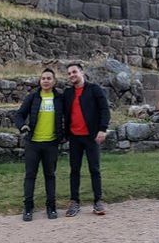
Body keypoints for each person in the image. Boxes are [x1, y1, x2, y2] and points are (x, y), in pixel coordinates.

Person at [15, 68, 65, 221]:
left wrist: (64, 134)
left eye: (49, 78)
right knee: (30, 176)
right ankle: (28, 207)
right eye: (43, 78)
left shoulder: (60, 98)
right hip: (33, 144)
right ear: (40, 81)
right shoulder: (32, 97)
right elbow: (19, 114)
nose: (45, 81)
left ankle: (51, 207)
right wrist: (22, 126)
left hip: (51, 144)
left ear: (54, 81)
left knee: (50, 176)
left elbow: (69, 116)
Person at [63, 63, 111, 217]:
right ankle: (74, 202)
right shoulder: (68, 93)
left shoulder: (94, 89)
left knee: (94, 169)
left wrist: (102, 129)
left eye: (74, 72)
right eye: (69, 73)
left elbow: (105, 109)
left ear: (81, 72)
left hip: (91, 137)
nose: (72, 75)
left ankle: (97, 201)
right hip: (74, 138)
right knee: (74, 170)